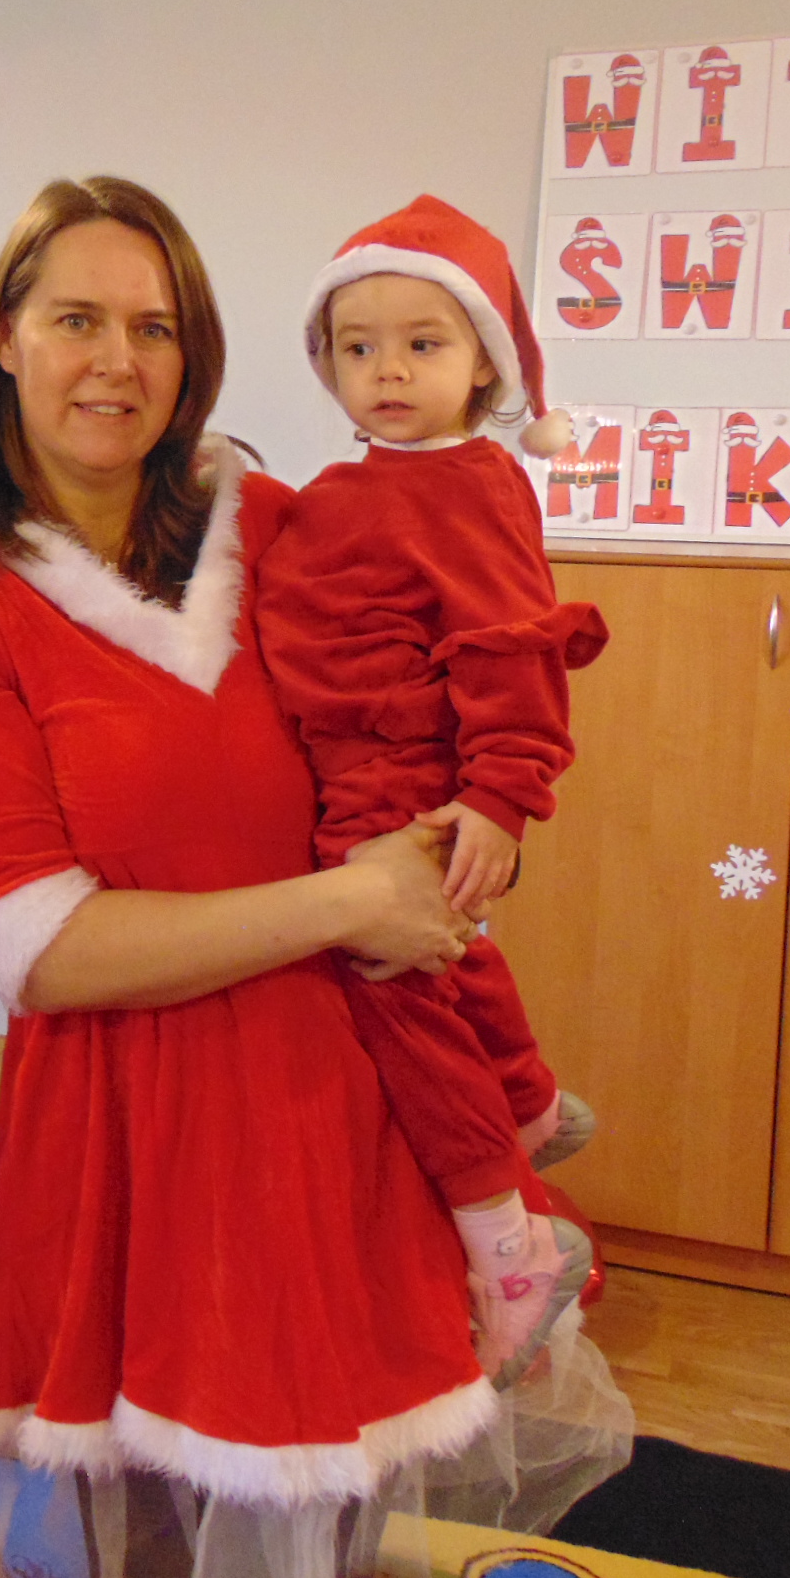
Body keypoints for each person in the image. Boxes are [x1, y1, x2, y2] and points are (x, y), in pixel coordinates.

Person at [0, 176, 593, 1578]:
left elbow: (456, 699)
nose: (117, 362)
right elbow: (37, 946)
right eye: (76, 320)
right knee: (150, 1539)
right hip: (134, 1127)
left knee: (330, 1524)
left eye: (155, 328)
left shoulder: (281, 523)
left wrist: (478, 822)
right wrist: (350, 906)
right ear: (4, 336)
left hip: (350, 1093)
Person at [256, 194, 607, 1385]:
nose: (388, 370)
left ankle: (511, 1247)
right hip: (352, 770)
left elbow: (515, 645)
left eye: (422, 342)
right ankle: (526, 1097)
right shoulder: (360, 483)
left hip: (396, 779)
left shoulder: (471, 482)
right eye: (358, 347)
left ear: (484, 363)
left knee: (394, 990)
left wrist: (505, 793)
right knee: (446, 954)